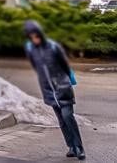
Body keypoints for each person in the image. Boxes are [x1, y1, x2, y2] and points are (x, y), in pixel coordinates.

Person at [24, 19, 85, 158]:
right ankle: (71, 147)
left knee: (68, 117)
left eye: (36, 36)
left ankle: (79, 147)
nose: (35, 39)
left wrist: (65, 81)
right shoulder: (31, 50)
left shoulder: (53, 47)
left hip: (62, 88)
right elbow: (36, 68)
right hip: (49, 91)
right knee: (62, 121)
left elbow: (65, 65)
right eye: (31, 37)